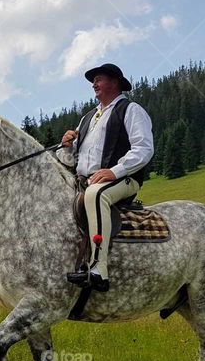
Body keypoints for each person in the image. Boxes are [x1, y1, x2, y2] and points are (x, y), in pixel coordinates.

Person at [61, 63, 154, 292]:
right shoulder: (87, 118)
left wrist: (114, 171)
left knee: (95, 194)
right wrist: (66, 148)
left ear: (114, 82)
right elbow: (73, 160)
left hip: (124, 179)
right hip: (84, 180)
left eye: (99, 79)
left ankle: (99, 269)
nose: (94, 84)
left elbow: (144, 149)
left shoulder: (131, 110)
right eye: (94, 81)